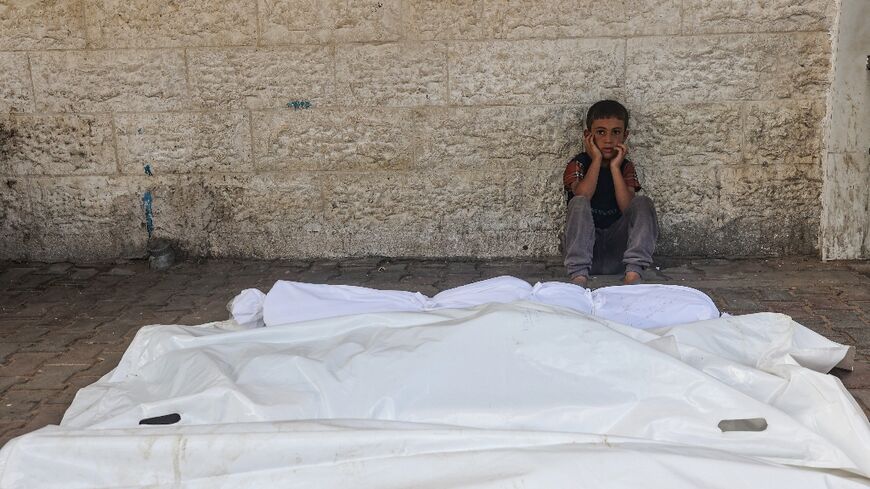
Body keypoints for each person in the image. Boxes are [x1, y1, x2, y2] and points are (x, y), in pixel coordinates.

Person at [562, 100, 658, 287]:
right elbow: (583, 195)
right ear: (588, 136)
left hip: (619, 254)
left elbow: (627, 207)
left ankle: (633, 274)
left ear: (625, 136)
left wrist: (615, 167)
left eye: (616, 132)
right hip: (587, 250)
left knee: (643, 203)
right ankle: (579, 277)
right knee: (578, 202)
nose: (608, 139)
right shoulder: (579, 163)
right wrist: (597, 159)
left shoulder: (625, 167)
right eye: (600, 132)